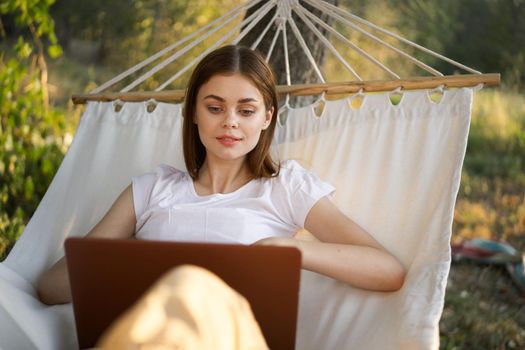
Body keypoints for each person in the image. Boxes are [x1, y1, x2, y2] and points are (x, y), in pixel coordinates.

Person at [37, 45, 406, 306]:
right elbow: (51, 288)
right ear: (194, 112)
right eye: (215, 107)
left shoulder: (285, 188)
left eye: (246, 111)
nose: (229, 121)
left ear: (267, 117)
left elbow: (388, 271)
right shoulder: (152, 190)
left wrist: (288, 249)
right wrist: (131, 257)